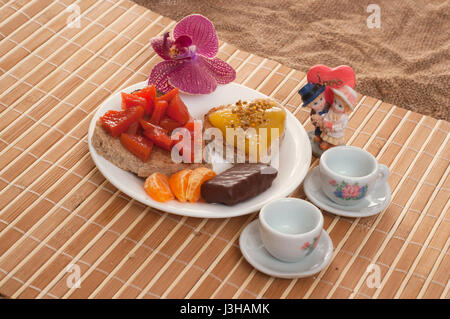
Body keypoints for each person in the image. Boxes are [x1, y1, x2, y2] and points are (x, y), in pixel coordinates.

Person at [319, 85, 357, 150]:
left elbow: (342, 126)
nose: (335, 106)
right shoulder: (331, 110)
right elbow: (327, 116)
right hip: (327, 130)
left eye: (340, 106)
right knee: (326, 137)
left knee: (334, 141)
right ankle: (325, 143)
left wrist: (333, 127)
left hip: (336, 133)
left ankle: (333, 146)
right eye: (335, 102)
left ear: (346, 109)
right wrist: (325, 121)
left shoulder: (344, 117)